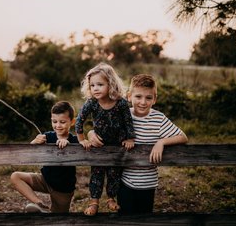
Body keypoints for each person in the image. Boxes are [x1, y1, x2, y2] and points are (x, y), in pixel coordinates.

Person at [88, 74, 188, 214]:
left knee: (144, 218)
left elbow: (183, 137)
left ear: (154, 99)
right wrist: (91, 133)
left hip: (149, 183)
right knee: (126, 218)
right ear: (129, 96)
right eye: (138, 97)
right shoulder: (121, 114)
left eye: (148, 98)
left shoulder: (158, 119)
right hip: (125, 181)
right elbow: (104, 129)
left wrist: (161, 142)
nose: (143, 102)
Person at [75, 62, 136, 216]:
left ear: (111, 84)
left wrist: (130, 138)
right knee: (97, 174)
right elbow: (79, 121)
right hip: (99, 146)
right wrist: (82, 139)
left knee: (114, 174)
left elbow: (128, 121)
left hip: (116, 146)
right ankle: (94, 202)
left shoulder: (121, 103)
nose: (95, 88)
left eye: (100, 84)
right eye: (92, 85)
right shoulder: (92, 103)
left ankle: (110, 198)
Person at [10, 101, 78, 213]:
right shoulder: (46, 136)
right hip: (45, 179)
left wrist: (68, 144)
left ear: (72, 122)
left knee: (58, 220)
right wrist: (34, 142)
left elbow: (84, 147)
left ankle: (49, 213)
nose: (58, 125)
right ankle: (39, 204)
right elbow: (28, 153)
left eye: (62, 122)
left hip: (63, 189)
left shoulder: (75, 140)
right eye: (54, 121)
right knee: (16, 177)